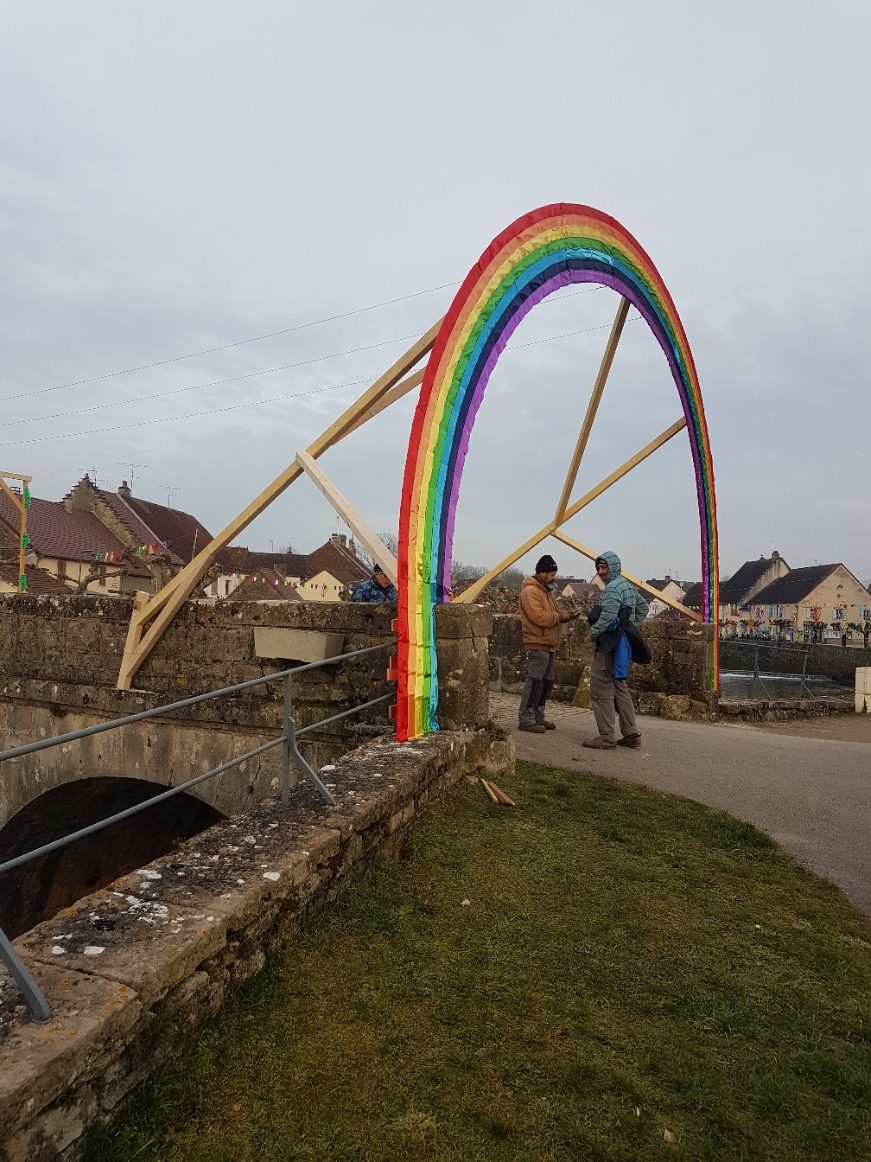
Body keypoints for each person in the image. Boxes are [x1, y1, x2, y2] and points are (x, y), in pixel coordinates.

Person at [583, 550, 649, 750]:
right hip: (623, 644)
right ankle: (631, 733)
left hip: (609, 644)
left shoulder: (612, 588)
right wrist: (628, 626)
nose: (601, 572)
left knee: (600, 690)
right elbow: (644, 607)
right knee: (620, 686)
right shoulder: (626, 586)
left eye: (604, 567)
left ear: (614, 567)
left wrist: (593, 632)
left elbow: (607, 617)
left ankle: (606, 736)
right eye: (599, 568)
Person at [517, 554, 580, 733]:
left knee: (546, 683)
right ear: (542, 573)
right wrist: (561, 616)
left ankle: (538, 716)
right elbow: (539, 617)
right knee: (535, 682)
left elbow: (551, 615)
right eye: (552, 574)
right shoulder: (530, 592)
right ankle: (526, 719)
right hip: (537, 642)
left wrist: (565, 616)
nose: (555, 577)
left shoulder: (548, 591)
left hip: (549, 643)